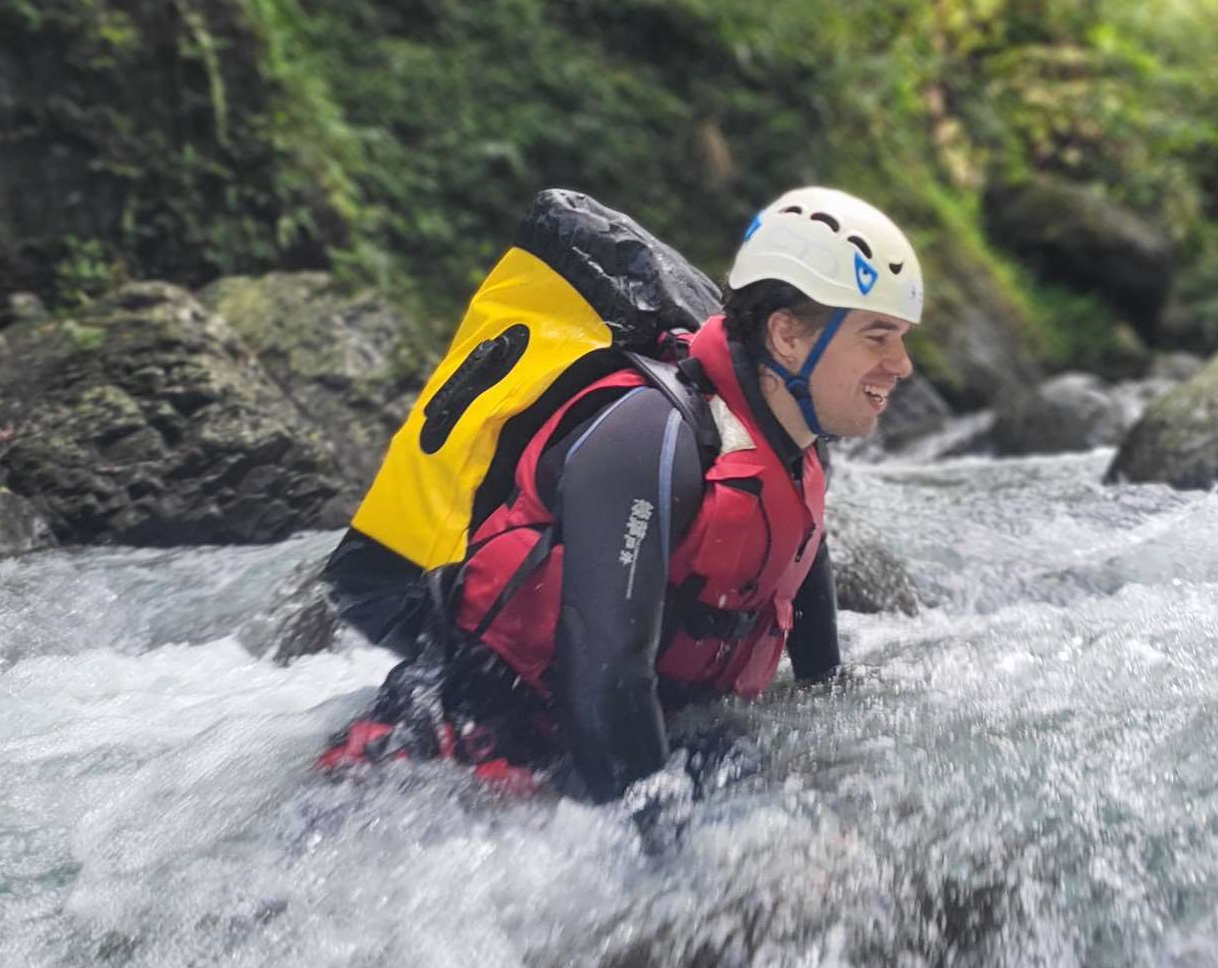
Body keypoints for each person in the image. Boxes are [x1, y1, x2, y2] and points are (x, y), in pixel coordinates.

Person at [321, 186, 923, 804]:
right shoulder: (647, 437)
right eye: (878, 337)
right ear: (788, 336)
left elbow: (817, 664)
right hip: (454, 753)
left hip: (634, 740)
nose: (902, 364)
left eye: (902, 337)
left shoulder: (794, 450)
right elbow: (605, 678)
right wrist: (668, 858)